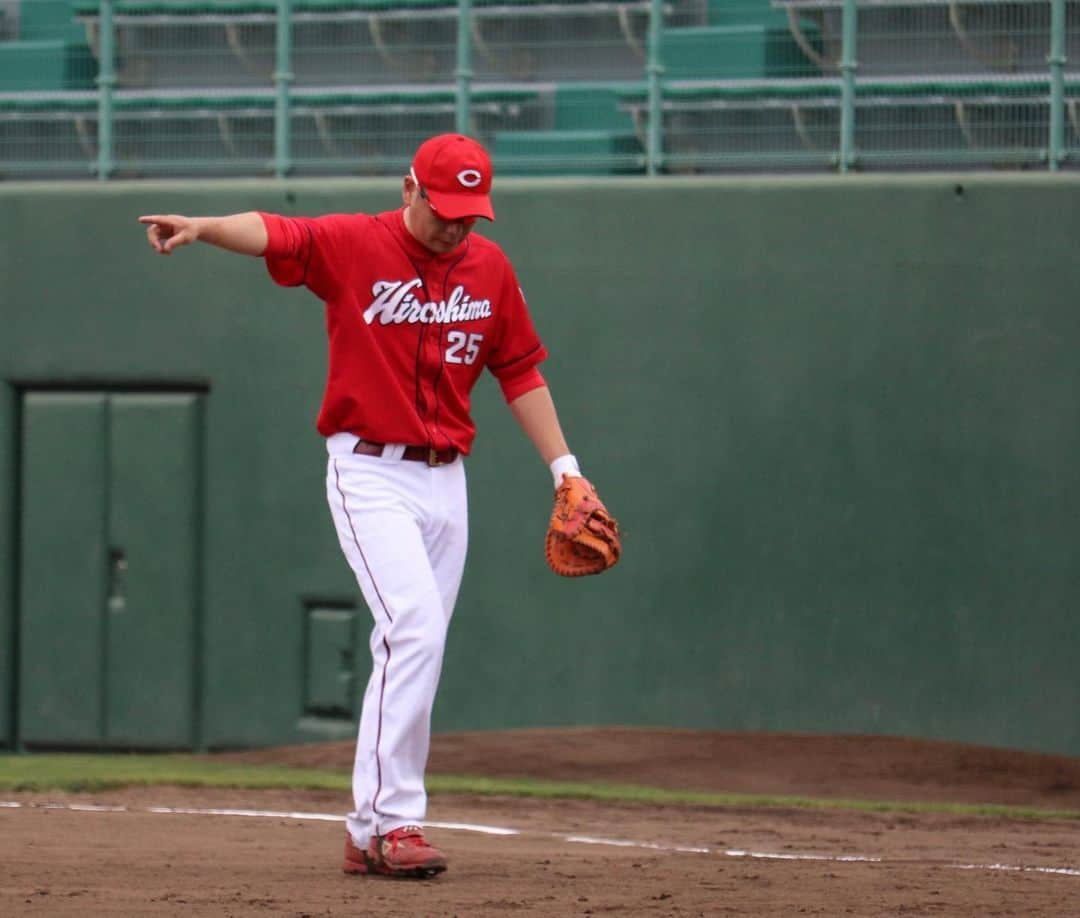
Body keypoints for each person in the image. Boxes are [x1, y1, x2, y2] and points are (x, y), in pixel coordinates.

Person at [139, 133, 602, 879]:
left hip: (446, 480)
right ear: (410, 189)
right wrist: (202, 228)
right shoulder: (358, 243)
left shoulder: (489, 268)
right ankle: (396, 822)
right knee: (413, 627)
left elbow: (519, 371)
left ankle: (366, 830)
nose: (457, 226)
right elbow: (276, 231)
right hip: (369, 472)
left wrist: (566, 471)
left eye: (469, 214)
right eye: (445, 209)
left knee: (417, 646)